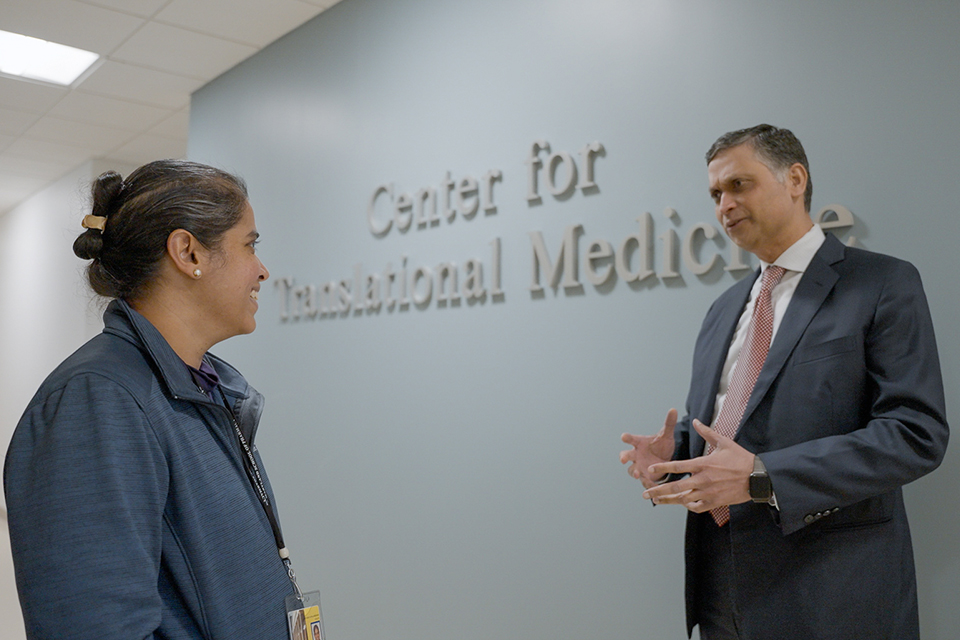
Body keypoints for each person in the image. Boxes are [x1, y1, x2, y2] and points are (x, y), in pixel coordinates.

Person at [619, 125, 948, 640]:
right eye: (715, 194)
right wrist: (671, 455)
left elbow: (915, 434)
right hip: (719, 587)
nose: (724, 205)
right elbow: (735, 426)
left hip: (831, 590)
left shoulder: (883, 282)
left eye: (739, 185)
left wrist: (762, 476)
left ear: (795, 179)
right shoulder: (722, 309)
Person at [4, 160, 296, 639]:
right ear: (188, 252)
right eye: (250, 244)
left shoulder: (202, 388)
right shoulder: (98, 401)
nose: (261, 271)